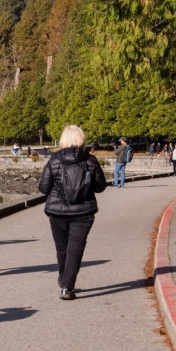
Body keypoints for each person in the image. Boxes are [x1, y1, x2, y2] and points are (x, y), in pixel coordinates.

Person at [37, 125, 108, 300]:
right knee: (76, 248)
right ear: (81, 139)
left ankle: (64, 281)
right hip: (83, 211)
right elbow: (100, 187)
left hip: (57, 211)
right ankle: (67, 286)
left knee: (62, 248)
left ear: (63, 140)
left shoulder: (54, 160)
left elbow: (43, 188)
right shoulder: (90, 161)